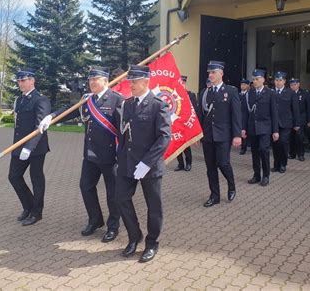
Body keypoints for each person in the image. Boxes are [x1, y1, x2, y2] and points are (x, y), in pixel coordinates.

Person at [39, 66, 123, 243]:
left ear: (106, 81)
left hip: (111, 156)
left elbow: (124, 130)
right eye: (90, 80)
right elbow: (69, 110)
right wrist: (51, 117)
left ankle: (113, 226)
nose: (92, 82)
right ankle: (95, 220)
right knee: (85, 187)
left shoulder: (117, 100)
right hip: (90, 154)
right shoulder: (87, 100)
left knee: (112, 193)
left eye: (96, 79)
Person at [115, 65, 171, 263]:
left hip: (149, 165)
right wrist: (119, 157)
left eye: (134, 82)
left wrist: (146, 163)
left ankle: (152, 243)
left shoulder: (158, 105)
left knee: (153, 206)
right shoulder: (128, 104)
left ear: (145, 82)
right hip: (127, 162)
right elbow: (124, 133)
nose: (131, 85)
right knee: (121, 198)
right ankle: (134, 235)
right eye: (130, 82)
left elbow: (164, 137)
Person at [9, 68, 51, 226]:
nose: (20, 83)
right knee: (13, 176)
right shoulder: (19, 100)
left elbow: (40, 127)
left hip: (36, 147)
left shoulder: (41, 100)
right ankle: (28, 206)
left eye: (24, 80)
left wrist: (29, 147)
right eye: (19, 80)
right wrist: (19, 147)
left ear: (32, 80)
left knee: (36, 179)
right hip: (19, 145)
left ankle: (37, 212)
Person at [198, 61, 241, 207]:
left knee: (223, 163)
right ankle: (214, 196)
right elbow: (200, 116)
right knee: (210, 168)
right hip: (208, 135)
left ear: (221, 74)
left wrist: (237, 135)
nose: (210, 75)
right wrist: (197, 135)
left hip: (223, 135)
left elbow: (236, 115)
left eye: (213, 72)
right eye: (209, 73)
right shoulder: (204, 93)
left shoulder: (231, 91)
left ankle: (231, 185)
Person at [242, 69, 279, 186]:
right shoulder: (249, 93)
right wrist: (243, 128)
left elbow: (274, 113)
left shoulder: (270, 93)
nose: (255, 81)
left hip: (265, 127)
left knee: (264, 150)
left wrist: (275, 130)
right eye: (253, 79)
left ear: (263, 79)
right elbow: (245, 113)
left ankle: (266, 175)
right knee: (254, 152)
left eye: (257, 79)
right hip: (252, 127)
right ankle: (256, 175)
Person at [271, 72, 299, 174]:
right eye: (276, 80)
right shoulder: (270, 91)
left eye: (280, 80)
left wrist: (296, 123)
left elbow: (295, 109)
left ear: (284, 81)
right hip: (273, 123)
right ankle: (276, 164)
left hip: (286, 122)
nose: (278, 82)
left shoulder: (290, 93)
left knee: (283, 143)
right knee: (275, 144)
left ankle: (283, 164)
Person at [174, 75, 199, 172]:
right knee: (177, 145)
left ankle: (188, 163)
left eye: (183, 82)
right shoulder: (174, 93)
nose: (182, 84)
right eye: (180, 82)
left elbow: (194, 110)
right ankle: (180, 164)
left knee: (186, 145)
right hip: (177, 123)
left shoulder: (190, 94)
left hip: (186, 123)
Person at [289, 78, 310, 161]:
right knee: (291, 137)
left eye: (294, 85)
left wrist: (309, 120)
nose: (293, 86)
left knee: (299, 137)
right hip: (290, 119)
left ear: (298, 84)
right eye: (291, 85)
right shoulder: (288, 93)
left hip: (301, 119)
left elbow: (309, 108)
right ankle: (292, 153)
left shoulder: (304, 93)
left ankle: (300, 154)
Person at [239, 78, 250, 155]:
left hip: (247, 115)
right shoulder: (238, 94)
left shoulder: (249, 94)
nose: (243, 86)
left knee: (245, 130)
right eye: (242, 84)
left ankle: (244, 147)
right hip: (240, 114)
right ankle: (242, 146)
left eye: (244, 85)